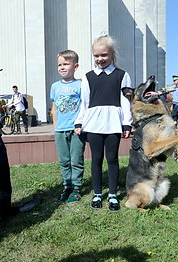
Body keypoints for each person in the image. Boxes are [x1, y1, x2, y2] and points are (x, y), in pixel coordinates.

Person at [74, 33, 132, 211]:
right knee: (96, 159)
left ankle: (113, 194)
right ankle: (97, 193)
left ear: (112, 53)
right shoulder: (88, 77)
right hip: (93, 124)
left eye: (104, 55)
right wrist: (79, 122)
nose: (100, 59)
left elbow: (125, 101)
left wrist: (126, 123)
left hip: (113, 123)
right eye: (96, 56)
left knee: (112, 159)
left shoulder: (122, 75)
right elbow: (84, 102)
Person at [50, 50, 86, 202]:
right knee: (64, 161)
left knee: (75, 160)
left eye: (66, 64)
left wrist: (81, 125)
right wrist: (56, 126)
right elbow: (54, 108)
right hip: (60, 130)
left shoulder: (80, 85)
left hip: (76, 130)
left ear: (75, 66)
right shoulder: (55, 86)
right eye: (59, 64)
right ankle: (67, 186)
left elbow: (85, 106)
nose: (62, 67)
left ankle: (76, 188)